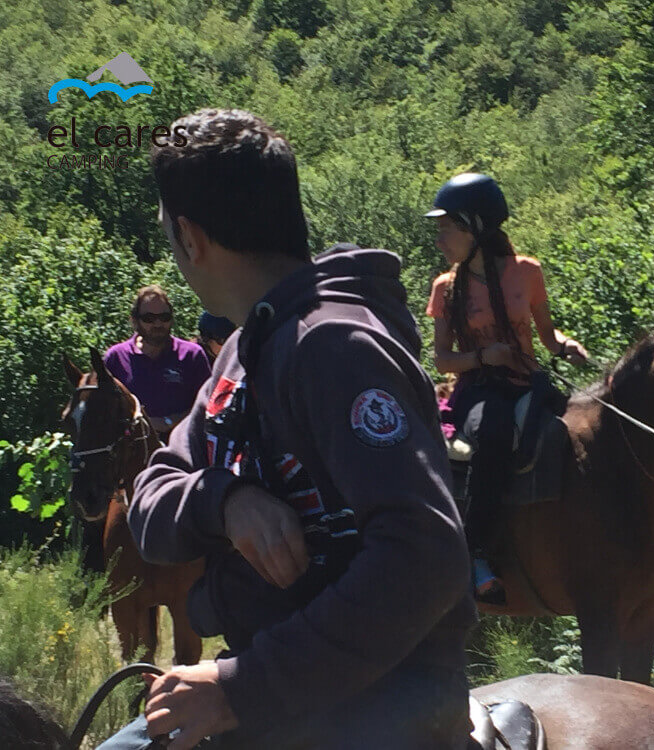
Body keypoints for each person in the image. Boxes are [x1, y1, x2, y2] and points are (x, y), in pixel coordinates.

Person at [99, 109, 475, 749]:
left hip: (380, 706)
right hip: (283, 696)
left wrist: (241, 688)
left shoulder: (335, 347)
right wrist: (225, 499)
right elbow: (155, 495)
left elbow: (425, 555)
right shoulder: (241, 352)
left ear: (189, 238)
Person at [425, 172, 587, 604]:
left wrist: (569, 348)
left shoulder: (527, 272)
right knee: (494, 433)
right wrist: (484, 357)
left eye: (446, 229)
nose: (440, 239)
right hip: (478, 388)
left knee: (577, 430)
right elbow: (442, 360)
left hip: (526, 381)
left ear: (475, 227)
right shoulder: (445, 288)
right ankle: (475, 552)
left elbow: (548, 339)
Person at [104, 286, 211, 440]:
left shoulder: (191, 355)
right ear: (134, 321)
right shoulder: (116, 358)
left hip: (181, 450)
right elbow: (102, 411)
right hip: (130, 453)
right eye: (149, 318)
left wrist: (167, 422)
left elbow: (208, 405)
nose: (158, 324)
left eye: (164, 317)